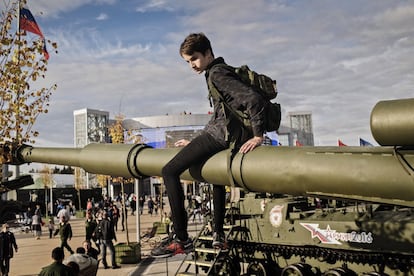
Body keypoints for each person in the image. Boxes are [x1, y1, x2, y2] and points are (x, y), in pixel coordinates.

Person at [151, 33, 265, 258]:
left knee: (169, 171)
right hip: (225, 134)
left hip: (221, 135)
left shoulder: (217, 74)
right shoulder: (218, 70)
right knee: (216, 176)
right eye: (187, 61)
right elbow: (221, 114)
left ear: (207, 53)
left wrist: (258, 135)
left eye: (194, 58)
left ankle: (182, 238)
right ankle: (218, 235)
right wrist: (196, 141)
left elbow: (253, 99)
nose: (191, 65)